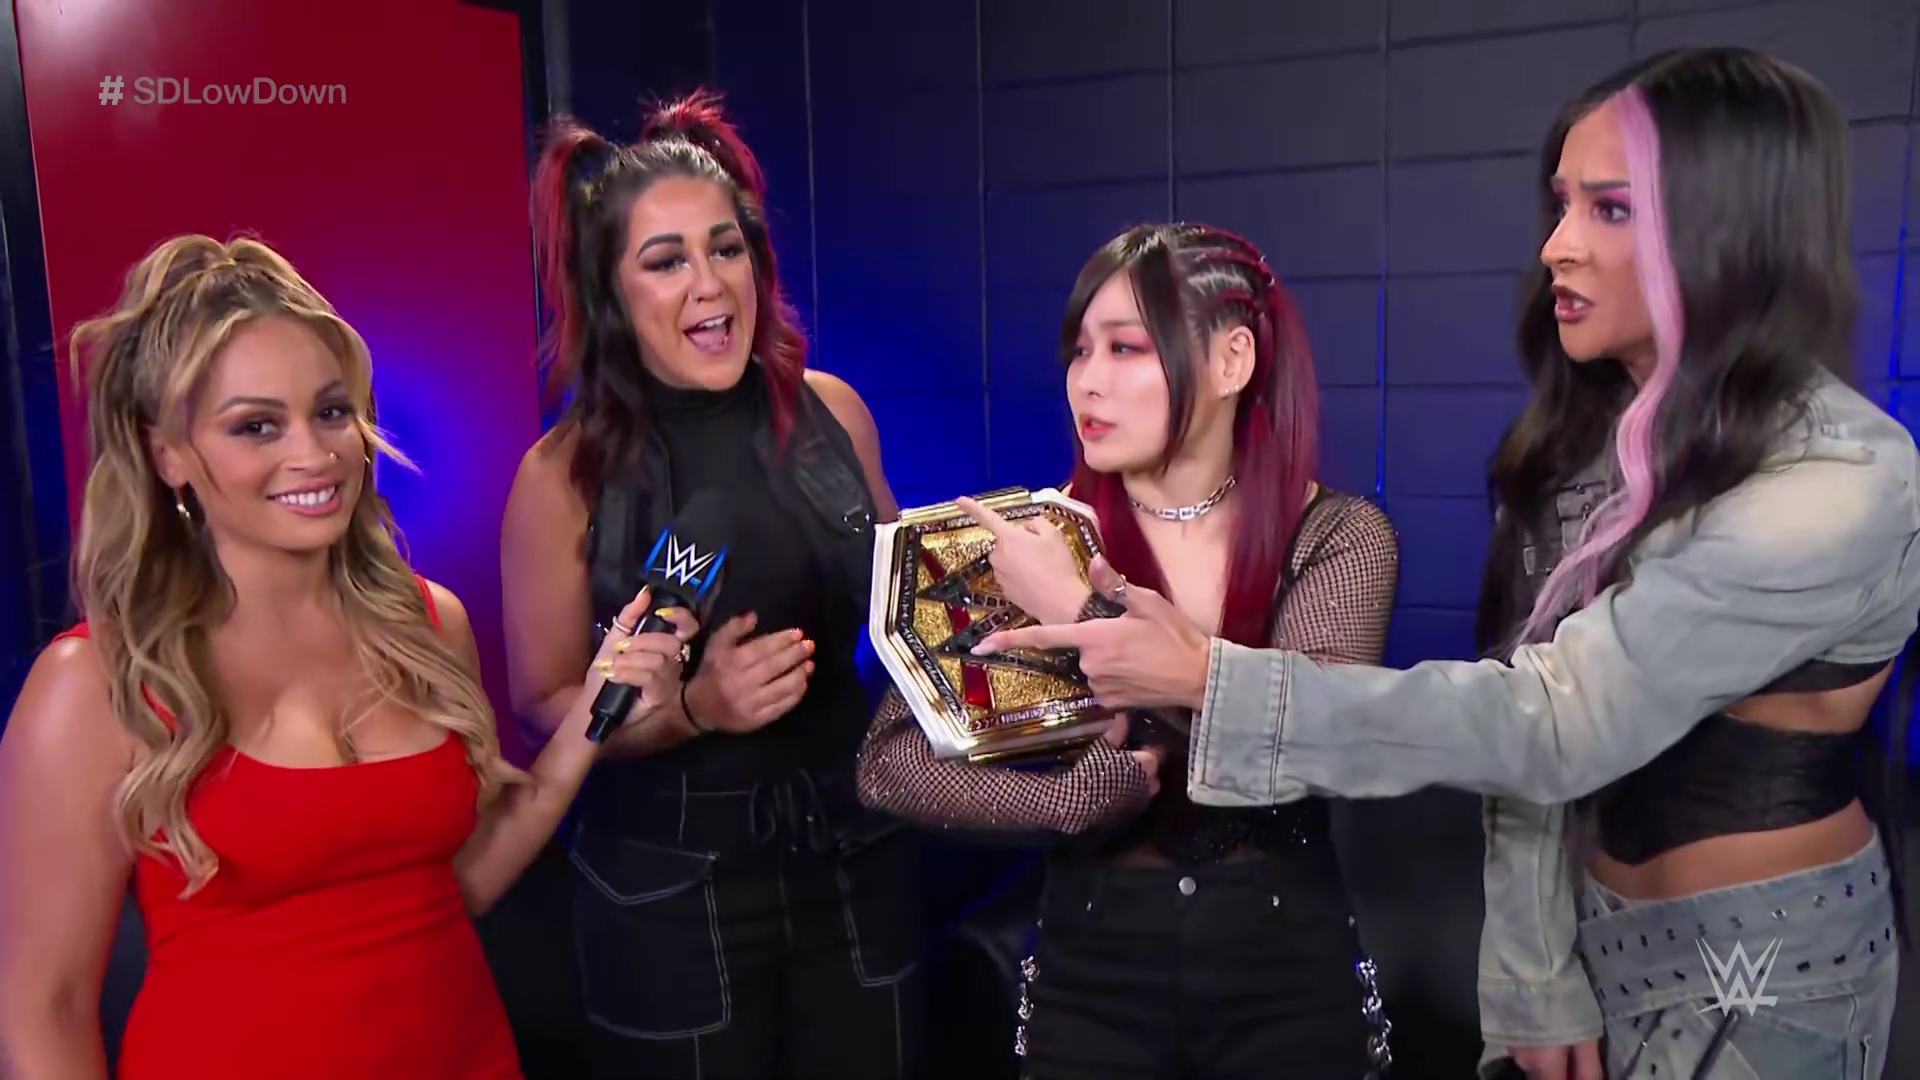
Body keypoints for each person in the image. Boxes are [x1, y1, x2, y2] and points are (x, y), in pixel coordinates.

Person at [979, 49, 1916, 1080]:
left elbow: (1549, 723)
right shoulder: (1591, 448)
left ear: (1733, 227)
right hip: (1590, 939)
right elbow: (1525, 740)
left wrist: (1195, 676)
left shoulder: (1838, 481)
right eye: (1561, 204)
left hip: (1764, 973)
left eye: (1608, 209)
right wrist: (1535, 970)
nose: (1556, 246)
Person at [0, 234, 694, 1079]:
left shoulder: (426, 623)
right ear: (166, 453)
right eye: (257, 425)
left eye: (331, 412)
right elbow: (45, 1011)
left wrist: (595, 711)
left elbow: (451, 889)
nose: (316, 454)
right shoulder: (95, 682)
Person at [858, 223, 1401, 1080]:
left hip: (1285, 967)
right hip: (1093, 972)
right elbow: (888, 766)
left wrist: (1079, 611)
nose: (1089, 381)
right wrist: (1067, 801)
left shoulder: (1335, 537)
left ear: (1231, 360)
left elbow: (1315, 744)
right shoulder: (1026, 542)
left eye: (1126, 348)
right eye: (1081, 351)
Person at [500, 89, 923, 1080]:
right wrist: (691, 710)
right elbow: (543, 701)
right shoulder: (560, 478)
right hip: (667, 896)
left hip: (854, 859)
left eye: (725, 248)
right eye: (666, 261)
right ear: (612, 292)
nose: (708, 284)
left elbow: (910, 613)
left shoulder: (834, 415)